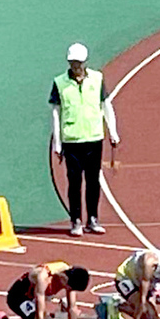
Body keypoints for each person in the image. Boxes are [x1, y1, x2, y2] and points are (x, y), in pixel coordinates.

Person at [50, 42, 121, 236]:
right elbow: (56, 114)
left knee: (93, 181)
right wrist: (57, 144)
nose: (75, 65)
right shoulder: (60, 82)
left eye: (79, 62)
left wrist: (113, 132)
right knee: (74, 182)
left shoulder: (97, 79)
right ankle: (76, 220)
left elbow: (106, 106)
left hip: (94, 137)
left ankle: (92, 218)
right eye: (72, 62)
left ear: (85, 62)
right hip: (71, 140)